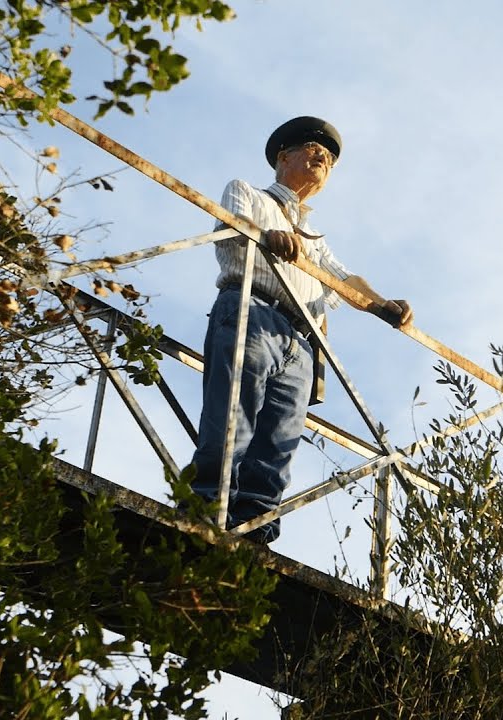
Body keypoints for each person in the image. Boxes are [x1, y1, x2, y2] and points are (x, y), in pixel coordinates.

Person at [188, 116, 412, 543]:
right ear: (282, 158)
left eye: (328, 158)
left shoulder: (314, 236)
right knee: (232, 419)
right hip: (252, 311)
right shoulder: (248, 192)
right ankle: (205, 512)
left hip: (301, 339)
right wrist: (265, 234)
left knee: (280, 441)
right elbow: (228, 228)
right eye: (313, 149)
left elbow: (344, 279)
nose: (321, 158)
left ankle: (254, 528)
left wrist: (383, 304)